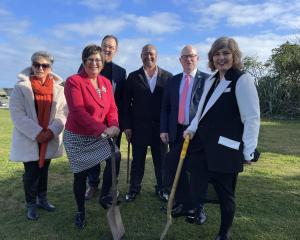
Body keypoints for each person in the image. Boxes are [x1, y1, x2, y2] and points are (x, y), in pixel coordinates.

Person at [184, 37, 260, 240]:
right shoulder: (211, 79)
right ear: (211, 58)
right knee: (188, 169)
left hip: (227, 149)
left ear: (234, 56)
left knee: (225, 193)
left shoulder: (242, 80)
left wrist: (249, 151)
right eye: (216, 54)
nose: (221, 58)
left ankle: (224, 233)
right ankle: (196, 208)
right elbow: (201, 111)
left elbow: (252, 118)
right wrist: (191, 128)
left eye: (225, 53)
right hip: (204, 144)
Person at [64, 44, 120, 229]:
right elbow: (78, 112)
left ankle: (105, 195)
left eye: (98, 60)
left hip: (98, 134)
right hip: (78, 137)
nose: (95, 63)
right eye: (91, 59)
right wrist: (104, 130)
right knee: (80, 177)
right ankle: (80, 211)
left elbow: (112, 107)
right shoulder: (74, 81)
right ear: (84, 61)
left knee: (116, 155)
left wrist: (113, 125)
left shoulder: (104, 82)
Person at [9, 51, 67, 220]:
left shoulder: (58, 89)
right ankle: (31, 204)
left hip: (49, 137)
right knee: (31, 173)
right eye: (36, 64)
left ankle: (42, 199)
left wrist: (51, 131)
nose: (40, 68)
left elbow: (63, 112)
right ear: (32, 65)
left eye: (45, 65)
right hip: (30, 138)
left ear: (50, 67)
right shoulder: (21, 87)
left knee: (44, 171)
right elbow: (17, 114)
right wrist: (37, 133)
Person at [160, 45, 209, 224]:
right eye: (185, 57)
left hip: (198, 134)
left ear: (198, 58)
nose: (188, 59)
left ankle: (199, 208)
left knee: (198, 172)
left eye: (192, 56)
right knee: (175, 167)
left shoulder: (208, 80)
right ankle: (182, 202)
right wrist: (164, 129)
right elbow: (165, 108)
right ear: (180, 60)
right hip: (176, 131)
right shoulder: (173, 81)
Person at [78, 35, 126, 200]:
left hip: (112, 125)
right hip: (92, 124)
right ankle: (92, 184)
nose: (107, 49)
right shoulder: (88, 66)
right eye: (105, 46)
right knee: (93, 158)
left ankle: (111, 185)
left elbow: (121, 101)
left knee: (114, 157)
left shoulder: (121, 72)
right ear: (101, 46)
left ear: (116, 50)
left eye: (111, 47)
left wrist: (119, 124)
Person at [123, 44, 173, 202]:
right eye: (145, 54)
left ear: (157, 55)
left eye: (151, 54)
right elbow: (125, 105)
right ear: (141, 56)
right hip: (139, 128)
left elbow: (171, 105)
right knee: (137, 162)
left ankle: (162, 189)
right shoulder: (132, 77)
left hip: (161, 129)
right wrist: (127, 126)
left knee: (162, 163)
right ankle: (134, 189)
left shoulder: (168, 77)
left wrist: (169, 128)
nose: (148, 57)